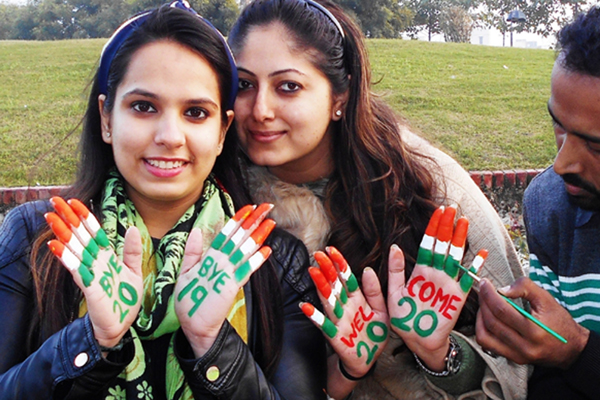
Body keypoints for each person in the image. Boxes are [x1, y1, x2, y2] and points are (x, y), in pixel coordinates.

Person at [0, 2, 327, 399]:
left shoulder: (273, 259)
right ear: (106, 117)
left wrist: (212, 346)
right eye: (144, 107)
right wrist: (92, 340)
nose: (170, 135)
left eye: (195, 112)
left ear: (223, 130)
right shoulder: (37, 235)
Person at [227, 0, 527, 399]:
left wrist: (438, 352)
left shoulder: (426, 184)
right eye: (245, 84)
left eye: (288, 86)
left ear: (341, 96)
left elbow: (515, 366)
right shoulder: (217, 192)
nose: (260, 110)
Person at [476, 6, 600, 400]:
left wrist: (579, 350)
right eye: (559, 126)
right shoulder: (549, 203)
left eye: (596, 146)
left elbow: (571, 354)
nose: (561, 164)